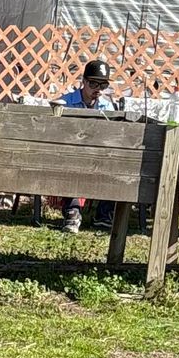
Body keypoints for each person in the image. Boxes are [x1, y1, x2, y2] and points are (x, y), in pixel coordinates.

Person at [56, 58, 113, 233]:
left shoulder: (108, 106)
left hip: (97, 154)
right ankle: (73, 210)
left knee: (117, 163)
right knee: (68, 162)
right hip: (70, 153)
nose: (98, 90)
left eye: (102, 86)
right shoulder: (64, 103)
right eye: (94, 84)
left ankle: (104, 214)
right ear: (84, 82)